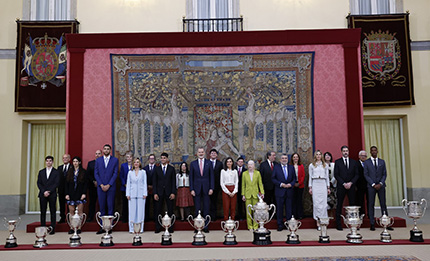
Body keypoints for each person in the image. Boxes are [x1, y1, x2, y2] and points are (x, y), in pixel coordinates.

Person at [363, 146, 393, 231]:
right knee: (371, 204)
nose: (374, 152)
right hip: (371, 187)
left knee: (383, 204)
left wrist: (380, 183)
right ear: (370, 152)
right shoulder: (367, 162)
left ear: (377, 151)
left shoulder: (382, 162)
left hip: (381, 186)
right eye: (372, 150)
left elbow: (384, 174)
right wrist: (373, 184)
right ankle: (372, 223)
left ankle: (386, 223)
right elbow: (366, 174)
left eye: (375, 150)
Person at [94, 144, 119, 234]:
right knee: (102, 207)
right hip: (101, 188)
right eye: (104, 149)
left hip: (111, 187)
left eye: (108, 149)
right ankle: (102, 227)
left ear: (110, 150)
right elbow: (96, 173)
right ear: (103, 150)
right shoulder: (98, 160)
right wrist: (101, 184)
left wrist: (109, 184)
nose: (106, 150)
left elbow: (115, 173)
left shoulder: (115, 160)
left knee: (110, 206)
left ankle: (109, 226)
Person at [334, 145, 359, 231]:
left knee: (352, 205)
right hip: (341, 186)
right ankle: (338, 224)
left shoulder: (354, 162)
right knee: (339, 205)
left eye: (347, 151)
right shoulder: (337, 162)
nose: (345, 152)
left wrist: (351, 183)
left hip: (351, 186)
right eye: (344, 151)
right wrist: (344, 183)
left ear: (348, 152)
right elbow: (336, 174)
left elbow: (357, 174)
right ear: (341, 152)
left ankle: (353, 224)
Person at [189, 147, 214, 233]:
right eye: (199, 152)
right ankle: (197, 227)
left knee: (207, 208)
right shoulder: (193, 164)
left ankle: (206, 226)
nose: (201, 153)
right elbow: (191, 178)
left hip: (207, 189)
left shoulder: (209, 163)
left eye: (202, 152)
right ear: (197, 153)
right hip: (196, 189)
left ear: (204, 153)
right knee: (197, 208)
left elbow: (212, 176)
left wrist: (211, 188)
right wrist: (191, 189)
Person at [153, 152, 176, 233]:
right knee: (158, 210)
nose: (163, 159)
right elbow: (154, 182)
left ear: (167, 159)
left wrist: (173, 193)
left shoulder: (171, 169)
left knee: (170, 210)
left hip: (169, 192)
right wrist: (155, 193)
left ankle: (170, 227)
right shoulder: (156, 169)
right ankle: (158, 227)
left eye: (164, 158)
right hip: (159, 193)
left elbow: (173, 182)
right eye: (162, 158)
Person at [272, 153, 295, 231]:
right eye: (283, 158)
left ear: (287, 160)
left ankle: (288, 225)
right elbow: (273, 179)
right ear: (280, 160)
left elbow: (294, 179)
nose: (284, 159)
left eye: (285, 158)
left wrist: (290, 184)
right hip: (279, 191)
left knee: (289, 209)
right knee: (279, 209)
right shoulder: (276, 167)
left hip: (289, 191)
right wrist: (281, 184)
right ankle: (280, 225)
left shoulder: (291, 167)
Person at [65, 156, 88, 234]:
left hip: (80, 194)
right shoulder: (69, 172)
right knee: (71, 212)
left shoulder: (83, 172)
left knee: (79, 212)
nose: (75, 163)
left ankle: (79, 227)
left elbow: (85, 184)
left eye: (76, 161)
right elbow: (66, 184)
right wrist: (67, 194)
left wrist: (84, 193)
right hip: (71, 194)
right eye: (74, 161)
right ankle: (72, 227)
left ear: (79, 162)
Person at [37, 156, 60, 234]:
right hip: (42, 194)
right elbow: (39, 183)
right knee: (42, 211)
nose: (48, 162)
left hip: (52, 194)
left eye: (50, 161)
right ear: (45, 162)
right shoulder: (41, 172)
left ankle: (52, 228)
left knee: (52, 211)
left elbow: (56, 183)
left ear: (52, 162)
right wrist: (44, 191)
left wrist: (49, 191)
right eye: (47, 161)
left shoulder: (56, 172)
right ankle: (43, 228)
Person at [308, 150, 331, 230]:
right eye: (317, 154)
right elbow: (310, 177)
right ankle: (318, 222)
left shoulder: (325, 165)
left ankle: (323, 222)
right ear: (315, 156)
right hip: (315, 183)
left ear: (321, 156)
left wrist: (328, 187)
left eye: (319, 154)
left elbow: (327, 177)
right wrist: (310, 187)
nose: (318, 156)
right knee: (316, 204)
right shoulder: (312, 165)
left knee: (324, 204)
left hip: (323, 183)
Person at [126, 158, 147, 233]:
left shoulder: (143, 172)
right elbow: (128, 183)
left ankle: (140, 228)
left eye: (137, 162)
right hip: (132, 194)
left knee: (140, 212)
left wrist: (145, 193)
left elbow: (145, 183)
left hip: (141, 194)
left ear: (140, 163)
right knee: (132, 212)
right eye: (134, 162)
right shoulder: (130, 172)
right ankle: (132, 228)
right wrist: (128, 194)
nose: (136, 163)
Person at [242, 160, 264, 231]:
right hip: (247, 194)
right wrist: (243, 194)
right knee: (248, 212)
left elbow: (260, 183)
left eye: (251, 164)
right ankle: (250, 226)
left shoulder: (257, 173)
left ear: (254, 165)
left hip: (255, 194)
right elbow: (243, 185)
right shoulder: (244, 174)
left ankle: (255, 226)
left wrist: (262, 193)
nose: (250, 166)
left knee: (256, 211)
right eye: (248, 164)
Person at [86, 149, 102, 222]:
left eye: (99, 154)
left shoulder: (103, 163)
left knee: (102, 202)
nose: (97, 155)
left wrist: (99, 182)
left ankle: (102, 217)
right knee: (92, 202)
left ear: (101, 154)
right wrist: (93, 181)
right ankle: (90, 217)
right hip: (92, 186)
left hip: (102, 186)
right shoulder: (90, 163)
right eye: (96, 154)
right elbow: (88, 174)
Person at [209, 149, 223, 221]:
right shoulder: (207, 163)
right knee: (208, 202)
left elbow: (221, 175)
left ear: (217, 155)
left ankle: (214, 217)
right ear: (210, 155)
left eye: (215, 153)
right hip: (208, 186)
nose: (213, 154)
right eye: (212, 153)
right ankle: (208, 217)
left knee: (215, 202)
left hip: (217, 186)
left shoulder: (220, 164)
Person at [120, 151, 133, 223]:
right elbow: (121, 176)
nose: (129, 158)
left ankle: (131, 218)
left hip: (133, 188)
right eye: (127, 157)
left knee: (132, 204)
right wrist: (124, 184)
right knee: (125, 203)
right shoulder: (123, 165)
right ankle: (125, 218)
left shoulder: (134, 165)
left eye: (130, 157)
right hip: (124, 187)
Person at [291, 153, 305, 220]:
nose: (295, 158)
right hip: (292, 186)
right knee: (293, 200)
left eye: (297, 157)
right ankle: (294, 214)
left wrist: (299, 183)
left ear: (298, 158)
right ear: (292, 158)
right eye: (294, 157)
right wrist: (293, 183)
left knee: (299, 200)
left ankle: (300, 215)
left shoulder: (301, 166)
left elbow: (303, 176)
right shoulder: (290, 166)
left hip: (300, 185)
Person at [57, 154, 71, 223]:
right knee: (61, 204)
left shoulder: (72, 167)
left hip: (69, 189)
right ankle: (62, 217)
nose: (65, 159)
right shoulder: (59, 168)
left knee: (70, 204)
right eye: (63, 158)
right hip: (61, 189)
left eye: (66, 158)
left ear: (69, 159)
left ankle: (69, 218)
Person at [143, 154, 156, 222]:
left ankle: (155, 218)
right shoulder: (144, 168)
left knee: (155, 204)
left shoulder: (157, 168)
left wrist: (153, 186)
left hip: (154, 188)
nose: (151, 160)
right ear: (148, 159)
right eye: (150, 158)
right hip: (146, 188)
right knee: (146, 204)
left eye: (153, 158)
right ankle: (146, 218)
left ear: (154, 160)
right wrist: (147, 186)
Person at [324, 151, 336, 217]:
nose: (327, 156)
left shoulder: (333, 165)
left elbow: (336, 174)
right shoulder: (323, 165)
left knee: (333, 200)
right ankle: (326, 215)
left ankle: (332, 214)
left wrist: (332, 181)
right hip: (325, 185)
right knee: (326, 201)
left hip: (333, 185)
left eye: (329, 155)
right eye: (326, 155)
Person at [356, 150, 369, 218]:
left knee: (369, 201)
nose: (363, 157)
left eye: (365, 156)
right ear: (359, 156)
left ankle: (369, 214)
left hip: (368, 185)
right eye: (362, 156)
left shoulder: (369, 164)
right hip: (359, 186)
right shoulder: (356, 164)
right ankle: (360, 215)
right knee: (360, 201)